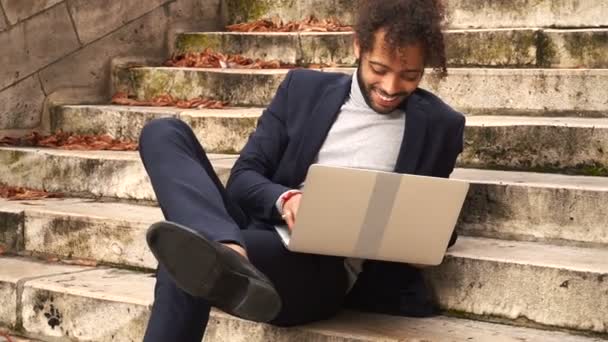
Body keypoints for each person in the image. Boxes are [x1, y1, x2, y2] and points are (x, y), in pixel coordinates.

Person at [138, 0, 465, 340]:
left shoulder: (439, 126)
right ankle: (225, 248)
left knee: (185, 257)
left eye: (409, 75)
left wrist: (426, 244)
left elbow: (431, 210)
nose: (391, 87)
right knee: (163, 133)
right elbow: (244, 178)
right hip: (252, 233)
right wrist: (287, 199)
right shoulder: (303, 90)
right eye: (379, 69)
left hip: (316, 272)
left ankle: (217, 253)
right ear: (358, 45)